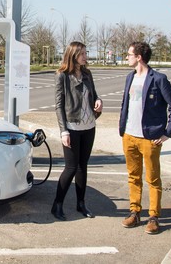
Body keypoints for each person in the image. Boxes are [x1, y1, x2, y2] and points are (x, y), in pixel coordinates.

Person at [119, 41, 171, 235]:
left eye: (129, 54)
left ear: (139, 57)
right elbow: (126, 105)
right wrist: (122, 129)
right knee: (133, 176)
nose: (127, 57)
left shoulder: (159, 79)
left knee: (152, 178)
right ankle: (134, 212)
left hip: (150, 138)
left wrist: (166, 133)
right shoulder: (130, 77)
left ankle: (154, 216)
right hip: (129, 136)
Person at [52, 41, 103, 221]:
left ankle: (81, 203)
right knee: (71, 168)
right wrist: (63, 131)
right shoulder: (62, 75)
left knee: (83, 167)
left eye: (85, 53)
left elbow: (94, 95)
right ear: (73, 55)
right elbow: (59, 106)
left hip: (89, 126)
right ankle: (57, 204)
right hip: (72, 127)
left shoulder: (87, 73)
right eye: (82, 54)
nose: (85, 56)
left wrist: (98, 101)